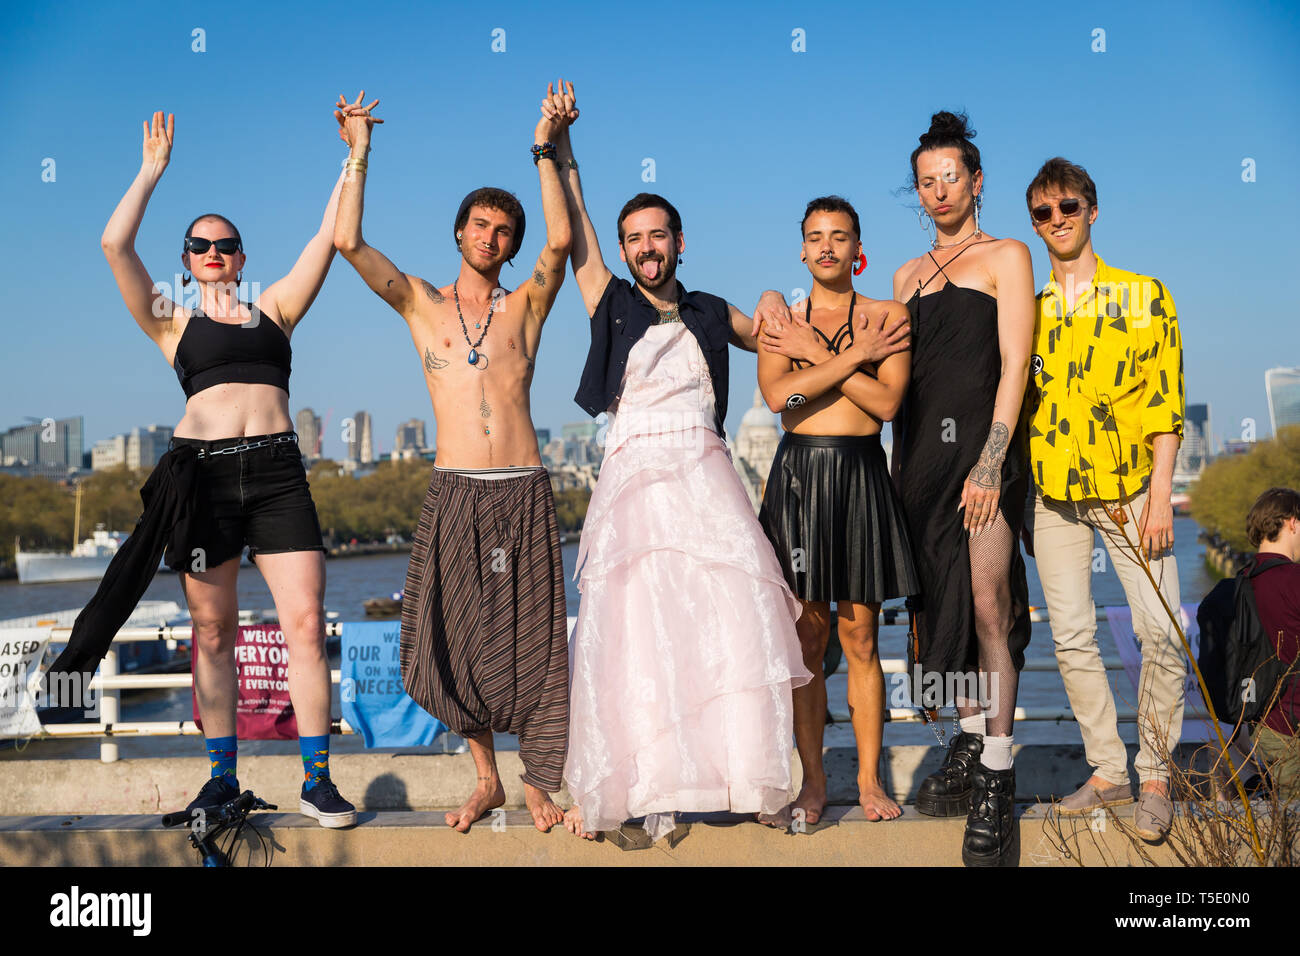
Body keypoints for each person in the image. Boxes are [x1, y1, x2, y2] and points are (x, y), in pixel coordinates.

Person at [544, 81, 811, 841]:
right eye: (634, 240)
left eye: (657, 236)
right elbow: (580, 230)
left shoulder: (707, 311)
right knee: (637, 631)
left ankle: (749, 776)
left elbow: (778, 338)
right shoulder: (611, 301)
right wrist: (559, 148)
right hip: (635, 483)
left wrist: (773, 296)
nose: (645, 248)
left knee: (733, 616)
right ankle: (639, 786)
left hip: (707, 474)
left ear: (678, 243)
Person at [99, 111, 355, 826]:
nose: (213, 252)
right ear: (187, 261)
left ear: (242, 258)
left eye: (227, 244)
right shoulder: (170, 320)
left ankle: (316, 780)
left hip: (277, 476)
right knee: (215, 633)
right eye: (200, 245)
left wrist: (354, 155)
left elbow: (329, 239)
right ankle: (220, 777)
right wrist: (151, 172)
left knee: (303, 624)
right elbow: (114, 243)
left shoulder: (276, 307)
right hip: (204, 483)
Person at [332, 91, 572, 833]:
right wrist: (358, 151)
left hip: (524, 490)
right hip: (455, 490)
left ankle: (539, 778)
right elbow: (348, 242)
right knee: (455, 639)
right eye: (480, 225)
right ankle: (486, 778)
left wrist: (545, 146)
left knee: (534, 639)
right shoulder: (421, 305)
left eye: (504, 231)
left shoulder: (527, 305)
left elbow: (560, 242)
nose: (491, 237)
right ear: (460, 231)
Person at [1023, 156, 1186, 843]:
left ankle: (1155, 773)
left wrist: (1159, 493)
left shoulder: (1145, 295)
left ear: (1092, 210)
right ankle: (1107, 769)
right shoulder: (1028, 311)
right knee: (1071, 637)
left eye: (1068, 207)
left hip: (1129, 494)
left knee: (1163, 633)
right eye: (1042, 213)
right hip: (1053, 497)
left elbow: (1165, 403)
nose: (1056, 221)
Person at [891, 112, 1034, 866]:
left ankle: (997, 777)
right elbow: (899, 383)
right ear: (918, 192)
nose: (940, 190)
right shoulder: (905, 276)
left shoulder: (1008, 256)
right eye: (927, 180)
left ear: (976, 182)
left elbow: (1015, 365)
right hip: (918, 464)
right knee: (942, 608)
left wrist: (990, 460)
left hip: (985, 457)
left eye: (951, 176)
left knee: (988, 604)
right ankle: (972, 748)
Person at [752, 196, 917, 825]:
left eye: (840, 236)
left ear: (857, 250)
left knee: (861, 636)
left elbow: (886, 404)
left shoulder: (887, 315)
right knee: (807, 638)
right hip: (798, 478)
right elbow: (778, 394)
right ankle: (813, 785)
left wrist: (817, 356)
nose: (827, 246)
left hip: (860, 474)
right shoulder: (779, 320)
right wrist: (849, 358)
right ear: (801, 250)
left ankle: (871, 780)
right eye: (815, 237)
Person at [1243, 488, 1300, 802]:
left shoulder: (1238, 583)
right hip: (1294, 724)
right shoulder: (1294, 579)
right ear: (1292, 523)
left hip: (1261, 726)